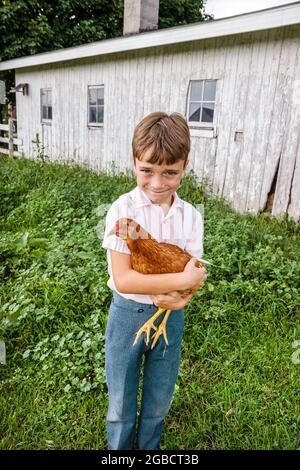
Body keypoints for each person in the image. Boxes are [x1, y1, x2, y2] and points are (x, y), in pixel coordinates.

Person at [101, 111, 206, 450]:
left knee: (159, 398)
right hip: (127, 314)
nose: (157, 183)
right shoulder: (122, 210)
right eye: (146, 170)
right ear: (133, 162)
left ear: (184, 166)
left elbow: (197, 272)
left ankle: (149, 449)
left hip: (171, 317)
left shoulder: (190, 216)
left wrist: (182, 299)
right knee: (120, 398)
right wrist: (180, 281)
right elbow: (125, 279)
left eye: (170, 172)